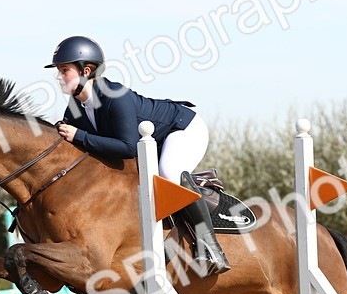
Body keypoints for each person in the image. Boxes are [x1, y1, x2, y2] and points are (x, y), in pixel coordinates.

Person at [46, 35, 229, 275]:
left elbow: (128, 147)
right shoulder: (75, 107)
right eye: (58, 70)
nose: (59, 76)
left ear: (86, 70)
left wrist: (79, 135)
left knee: (168, 172)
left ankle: (210, 246)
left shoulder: (115, 96)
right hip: (150, 141)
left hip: (183, 129)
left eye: (64, 70)